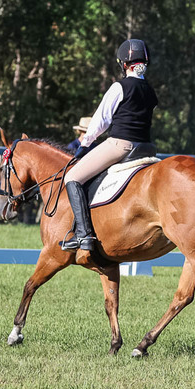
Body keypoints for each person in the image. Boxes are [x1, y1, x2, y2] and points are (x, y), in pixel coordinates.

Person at [61, 38, 158, 251]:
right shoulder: (150, 90)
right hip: (146, 147)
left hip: (120, 145)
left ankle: (83, 235)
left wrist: (84, 146)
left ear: (123, 64)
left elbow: (100, 121)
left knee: (73, 177)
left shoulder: (119, 87)